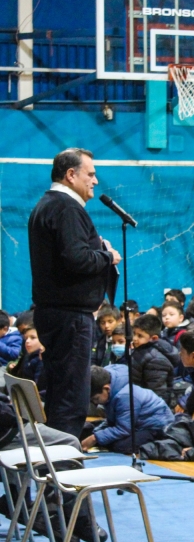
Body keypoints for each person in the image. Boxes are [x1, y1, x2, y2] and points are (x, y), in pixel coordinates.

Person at [28, 148, 121, 438]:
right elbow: (77, 259)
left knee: (60, 394)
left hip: (54, 314)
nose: (95, 180)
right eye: (90, 174)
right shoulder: (67, 208)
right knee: (71, 399)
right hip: (70, 317)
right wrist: (107, 256)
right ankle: (63, 472)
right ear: (71, 175)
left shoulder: (46, 205)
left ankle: (55, 468)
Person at [81, 365, 173, 454]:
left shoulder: (125, 396)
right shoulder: (113, 390)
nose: (96, 403)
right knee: (92, 432)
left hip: (156, 427)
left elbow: (123, 429)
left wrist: (94, 438)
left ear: (106, 388)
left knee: (121, 446)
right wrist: (96, 433)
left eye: (96, 399)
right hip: (133, 425)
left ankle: (158, 444)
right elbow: (113, 421)